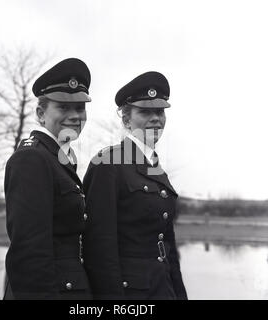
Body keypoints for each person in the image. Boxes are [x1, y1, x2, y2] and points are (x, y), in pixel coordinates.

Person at [82, 71, 187, 300]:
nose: (155, 118)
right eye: (145, 112)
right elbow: (99, 248)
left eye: (159, 111)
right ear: (126, 120)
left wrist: (179, 294)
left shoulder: (157, 169)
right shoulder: (108, 164)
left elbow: (167, 245)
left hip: (162, 288)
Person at [3, 58, 92, 300]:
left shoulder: (58, 158)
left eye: (80, 108)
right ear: (41, 114)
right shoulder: (32, 159)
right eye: (63, 107)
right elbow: (29, 254)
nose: (75, 116)